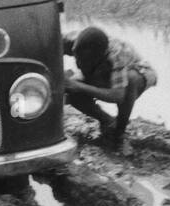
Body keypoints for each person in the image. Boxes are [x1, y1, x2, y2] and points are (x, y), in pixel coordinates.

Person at [62, 26, 157, 156]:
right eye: (76, 57)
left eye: (83, 60)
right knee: (70, 89)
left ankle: (119, 132)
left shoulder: (116, 55)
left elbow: (118, 95)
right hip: (100, 73)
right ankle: (108, 121)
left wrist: (79, 86)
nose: (78, 64)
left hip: (140, 73)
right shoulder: (72, 40)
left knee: (131, 79)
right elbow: (48, 44)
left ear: (98, 58)